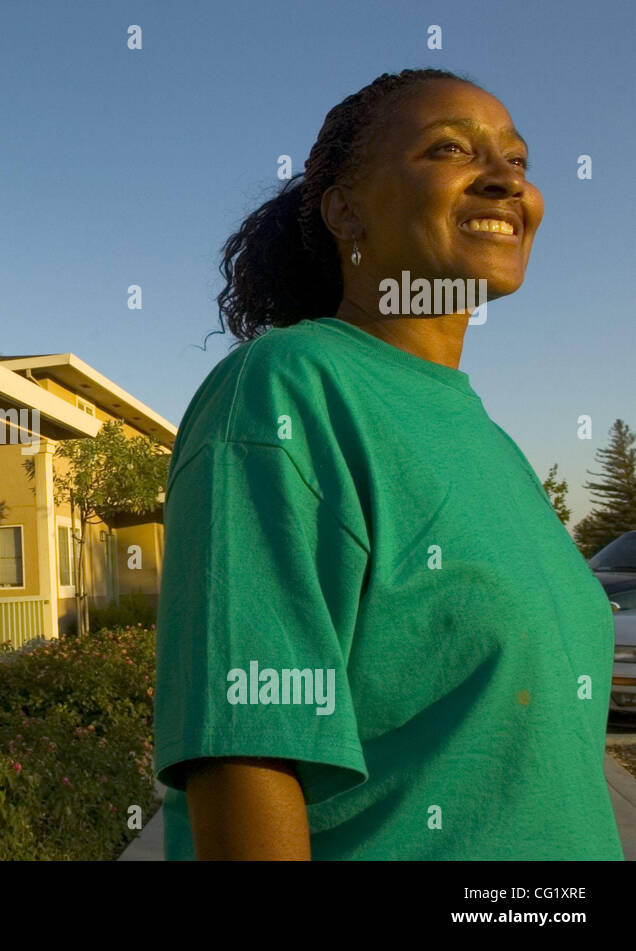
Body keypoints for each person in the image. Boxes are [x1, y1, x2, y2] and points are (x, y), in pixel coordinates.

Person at [153, 68, 623, 860]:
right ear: (346, 209)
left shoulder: (492, 441)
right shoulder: (286, 390)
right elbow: (245, 757)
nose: (508, 180)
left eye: (518, 159)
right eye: (451, 149)